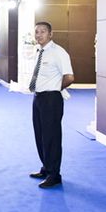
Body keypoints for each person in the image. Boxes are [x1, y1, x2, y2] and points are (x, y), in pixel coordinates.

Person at [28, 21, 74, 188]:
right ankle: (46, 168)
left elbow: (69, 77)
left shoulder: (59, 52)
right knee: (40, 135)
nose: (39, 35)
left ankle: (54, 175)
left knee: (52, 137)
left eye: (43, 31)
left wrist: (54, 89)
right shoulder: (39, 52)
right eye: (37, 32)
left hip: (51, 99)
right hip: (38, 98)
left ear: (50, 34)